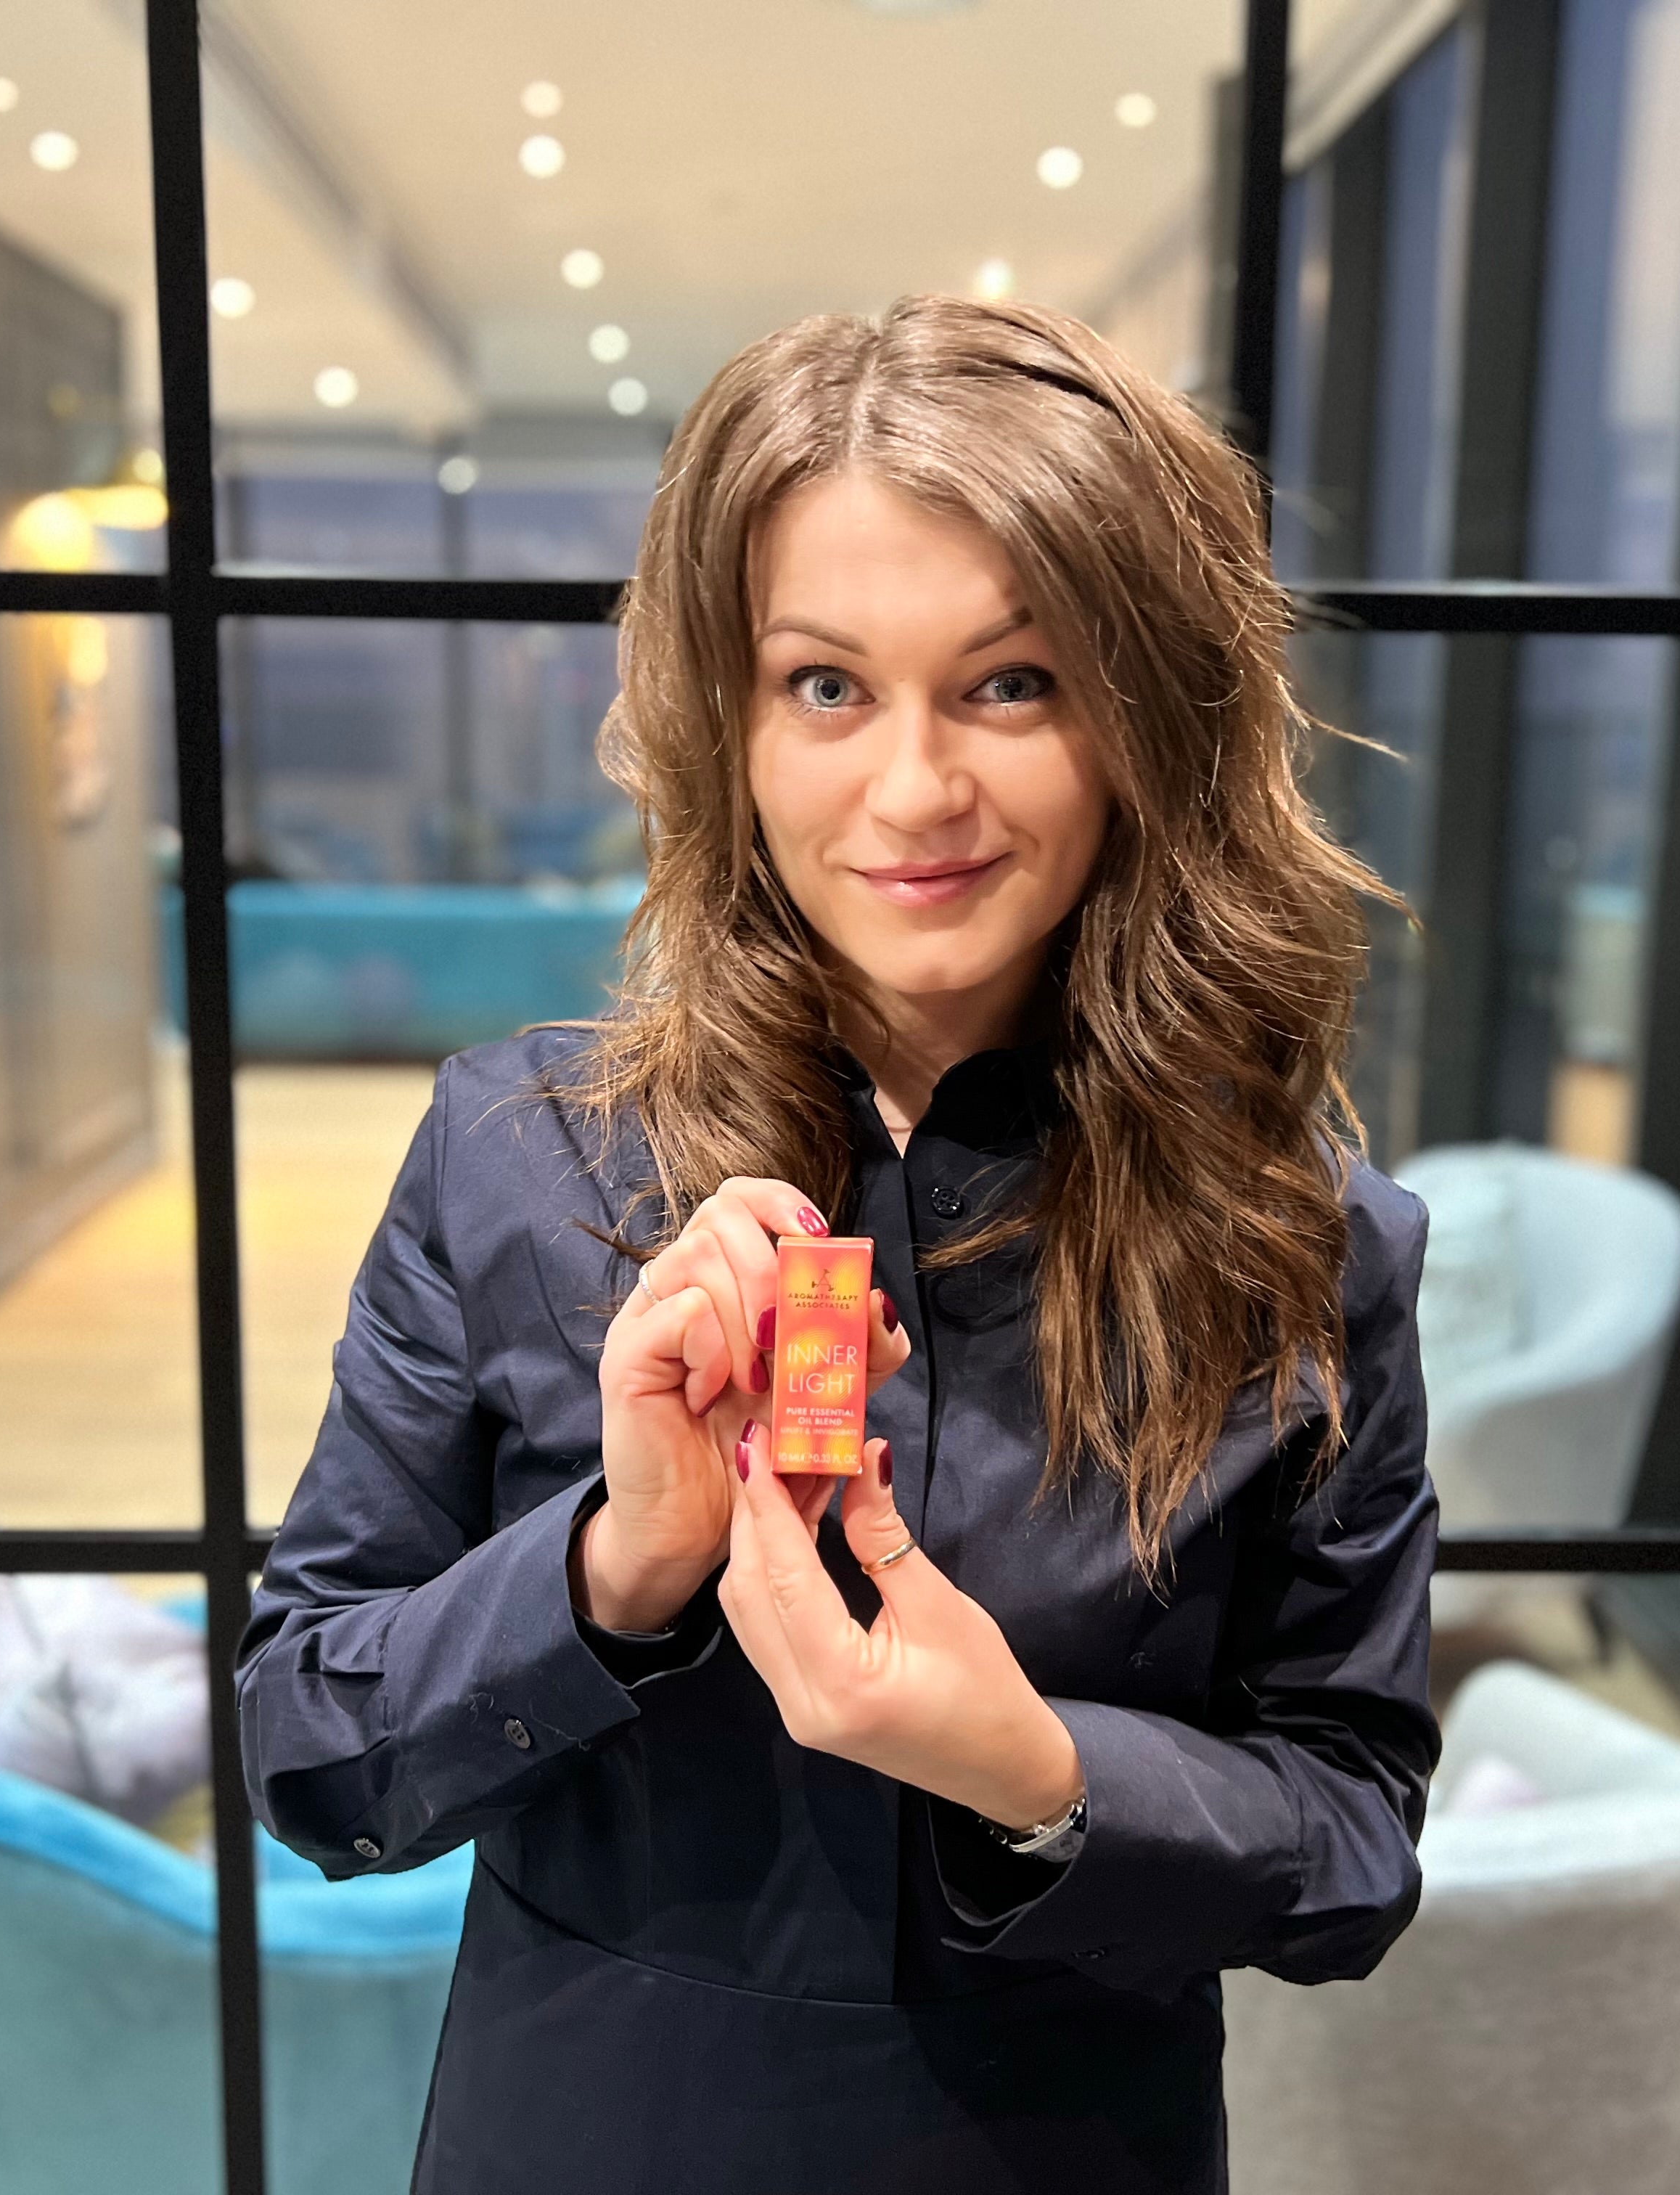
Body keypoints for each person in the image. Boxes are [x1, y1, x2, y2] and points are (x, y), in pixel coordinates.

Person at [237, 294, 1440, 2195]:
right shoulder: (516, 1157)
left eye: (1011, 684)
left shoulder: (1303, 1246)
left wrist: (1039, 1771)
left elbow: (1354, 1847)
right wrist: (613, 1566)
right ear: (724, 719)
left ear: (1148, 718)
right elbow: (312, 1752)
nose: (913, 791)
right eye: (825, 686)